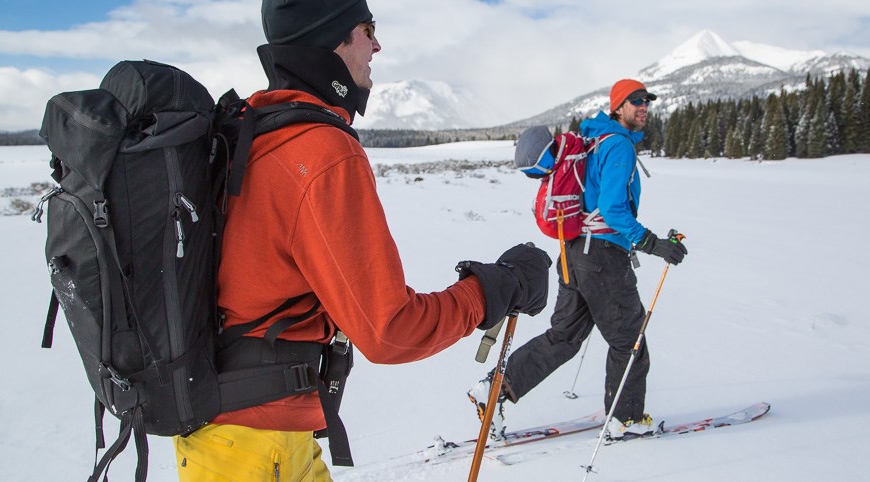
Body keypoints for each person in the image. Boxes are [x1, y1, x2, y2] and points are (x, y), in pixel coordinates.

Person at [172, 1, 552, 481]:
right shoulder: (318, 151)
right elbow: (391, 330)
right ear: (330, 36)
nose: (377, 45)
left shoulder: (251, 134)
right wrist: (497, 288)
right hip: (254, 448)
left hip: (239, 437)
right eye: (366, 29)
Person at [468, 79, 687, 441]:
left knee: (563, 337)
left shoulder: (596, 140)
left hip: (574, 253)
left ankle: (492, 391)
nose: (643, 106)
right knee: (629, 341)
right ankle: (626, 420)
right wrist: (653, 243)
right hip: (601, 259)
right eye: (635, 101)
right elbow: (613, 210)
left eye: (646, 100)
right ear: (618, 107)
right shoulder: (617, 146)